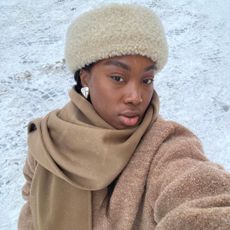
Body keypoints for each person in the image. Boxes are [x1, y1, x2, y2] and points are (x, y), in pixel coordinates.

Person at [18, 3, 230, 230]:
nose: (136, 97)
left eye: (146, 80)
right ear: (85, 78)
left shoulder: (164, 147)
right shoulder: (47, 138)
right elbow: (31, 204)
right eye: (118, 77)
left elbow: (200, 196)